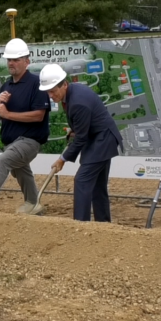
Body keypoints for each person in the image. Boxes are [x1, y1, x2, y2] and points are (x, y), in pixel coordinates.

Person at [0, 38, 51, 214]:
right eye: (9, 59)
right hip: (11, 141)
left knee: (3, 161)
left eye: (16, 59)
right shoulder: (7, 85)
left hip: (30, 140)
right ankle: (34, 204)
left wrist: (7, 114)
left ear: (26, 61)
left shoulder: (36, 84)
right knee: (22, 171)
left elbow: (38, 115)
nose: (11, 63)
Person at [39, 63, 122, 222]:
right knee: (98, 187)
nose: (50, 95)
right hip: (100, 137)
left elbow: (81, 138)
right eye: (47, 91)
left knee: (82, 181)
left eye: (52, 91)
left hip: (102, 141)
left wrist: (62, 159)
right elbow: (84, 127)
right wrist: (76, 129)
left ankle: (80, 225)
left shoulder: (77, 102)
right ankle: (103, 224)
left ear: (63, 84)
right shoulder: (72, 92)